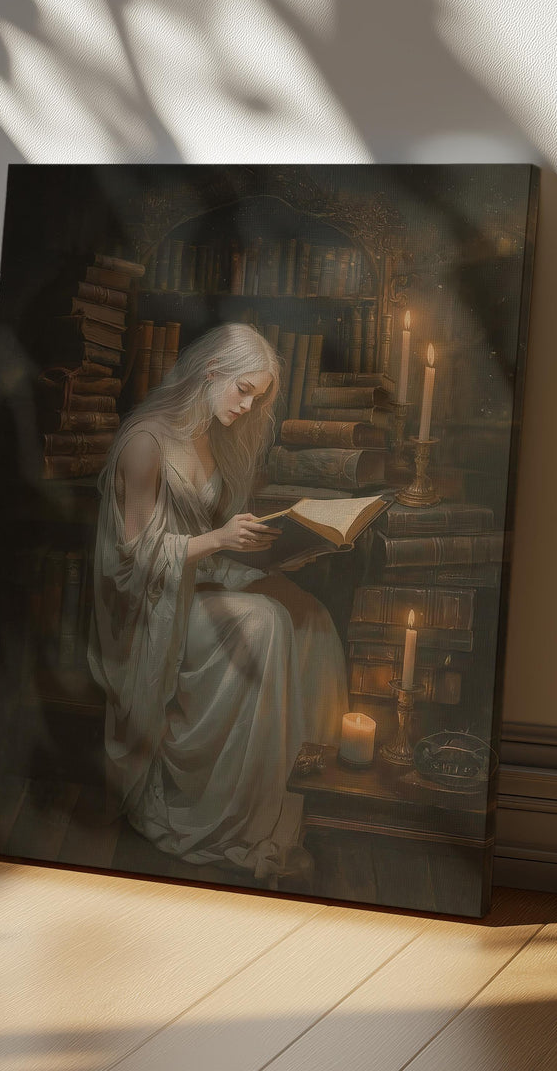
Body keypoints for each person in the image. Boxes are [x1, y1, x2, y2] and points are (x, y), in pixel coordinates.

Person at [88, 322, 349, 880]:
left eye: (258, 396)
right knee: (265, 621)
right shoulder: (146, 441)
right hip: (151, 608)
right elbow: (131, 559)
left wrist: (277, 555)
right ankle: (238, 814)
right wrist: (219, 540)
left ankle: (298, 782)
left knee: (310, 615)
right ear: (211, 375)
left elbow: (208, 544)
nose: (248, 405)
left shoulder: (211, 436)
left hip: (198, 582)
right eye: (243, 390)